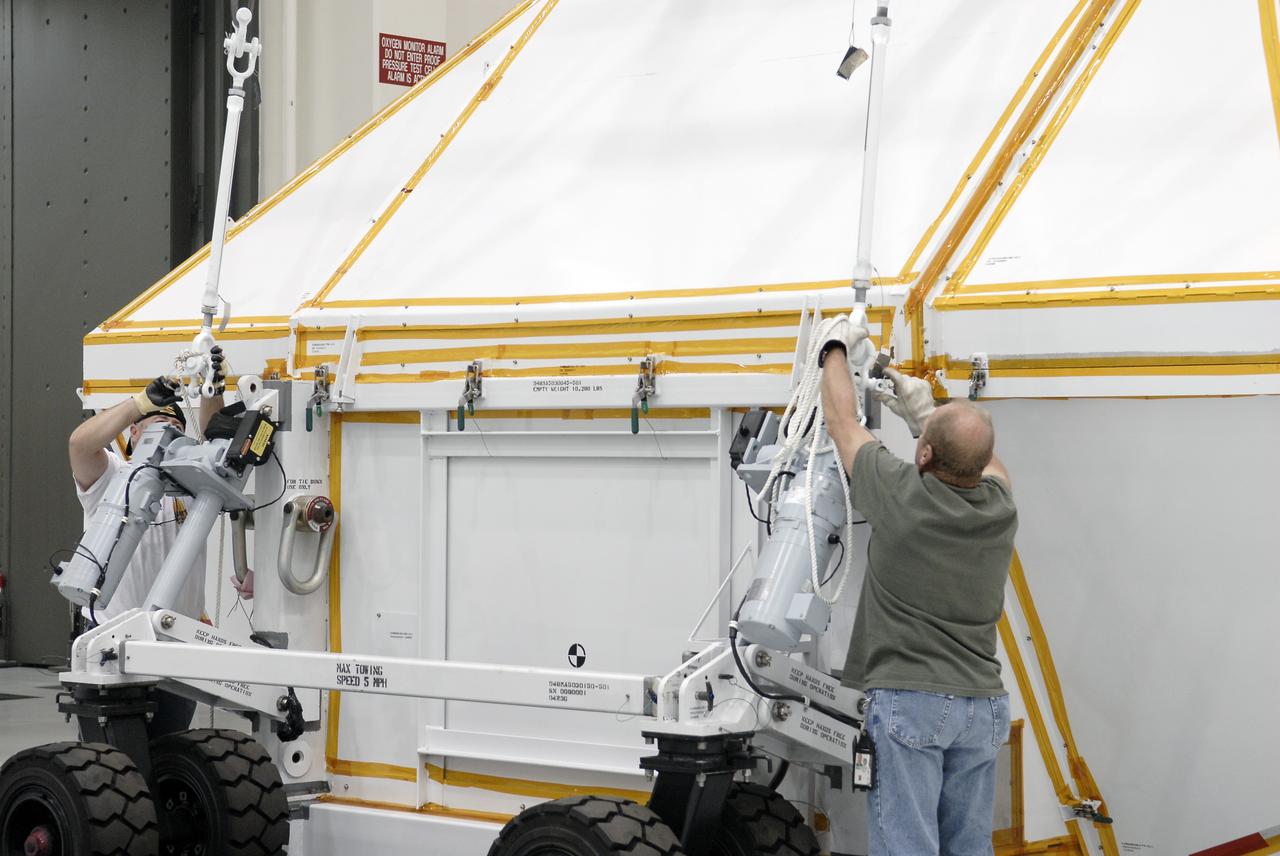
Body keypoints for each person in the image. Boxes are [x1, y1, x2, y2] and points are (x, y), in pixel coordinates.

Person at [819, 322, 1017, 856]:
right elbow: (987, 460)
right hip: (983, 707)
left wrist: (832, 345)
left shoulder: (901, 495)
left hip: (912, 703)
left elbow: (841, 421)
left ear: (924, 456)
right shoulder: (1001, 509)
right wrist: (927, 416)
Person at [67, 347, 226, 735]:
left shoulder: (191, 482)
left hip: (175, 647)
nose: (165, 430)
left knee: (174, 759)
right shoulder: (113, 476)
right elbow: (79, 444)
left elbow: (216, 436)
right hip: (113, 650)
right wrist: (138, 403)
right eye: (153, 423)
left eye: (173, 423)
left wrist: (212, 389)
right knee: (116, 764)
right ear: (133, 433)